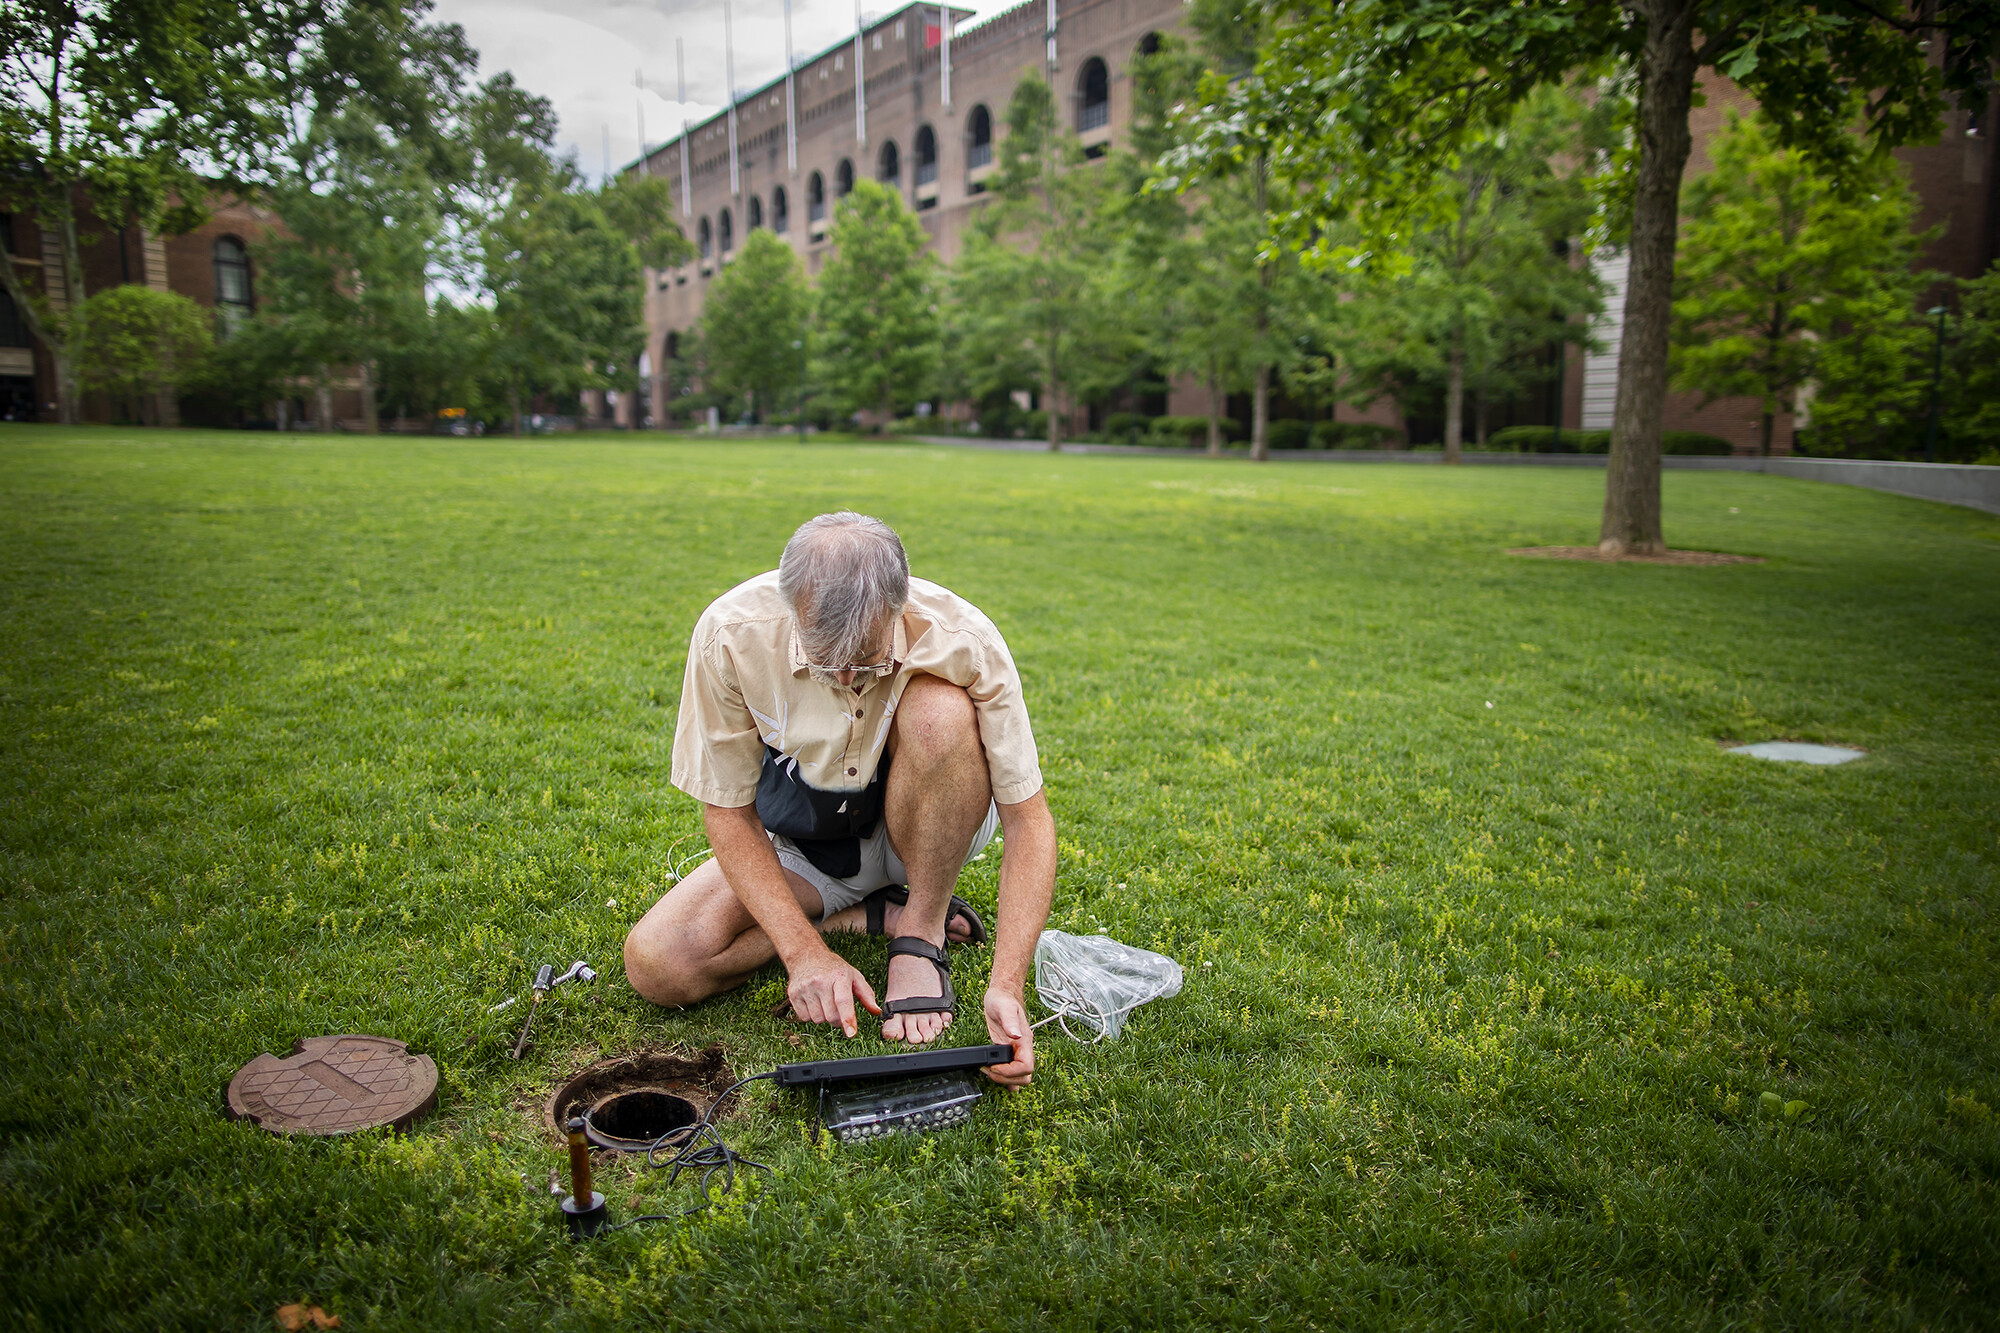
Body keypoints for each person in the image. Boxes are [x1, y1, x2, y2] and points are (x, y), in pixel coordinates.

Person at [624, 512, 1055, 1087]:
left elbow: (1029, 822)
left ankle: (921, 928)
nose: (850, 675)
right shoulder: (731, 635)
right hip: (809, 842)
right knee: (659, 963)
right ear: (791, 607)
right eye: (828, 662)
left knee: (940, 713)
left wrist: (1007, 985)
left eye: (869, 661)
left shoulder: (964, 637)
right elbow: (728, 814)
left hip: (928, 830)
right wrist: (803, 953)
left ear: (898, 603)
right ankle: (866, 917)